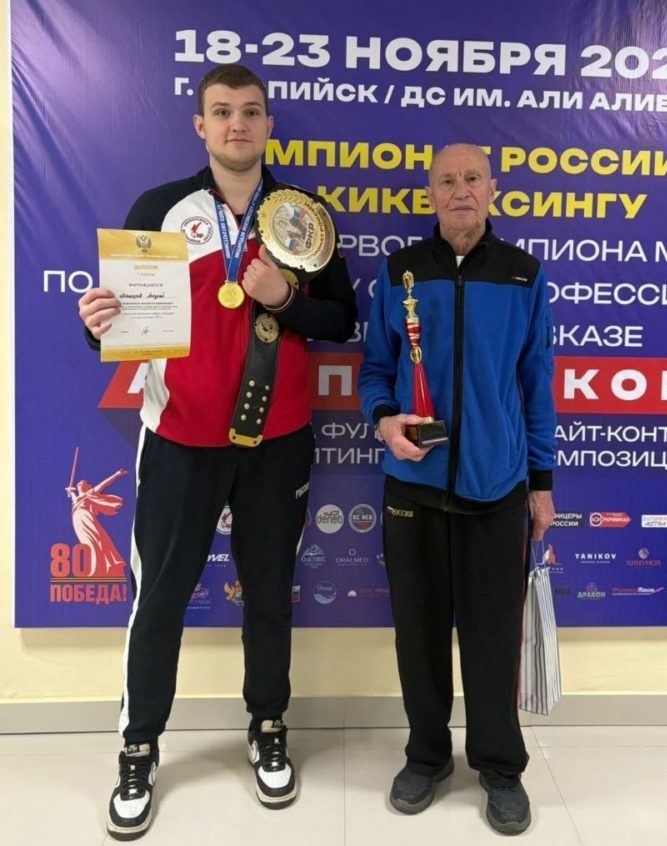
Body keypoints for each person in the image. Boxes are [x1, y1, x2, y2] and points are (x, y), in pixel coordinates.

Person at [78, 64, 356, 841]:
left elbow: (341, 320)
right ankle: (139, 748)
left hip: (277, 443)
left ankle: (268, 727)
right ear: (200, 125)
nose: (239, 124)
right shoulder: (160, 209)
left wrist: (283, 298)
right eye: (223, 111)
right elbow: (123, 322)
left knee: (268, 596)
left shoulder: (304, 218)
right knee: (159, 599)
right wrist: (95, 324)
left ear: (269, 125)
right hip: (178, 441)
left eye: (252, 111)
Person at [358, 143, 556, 836]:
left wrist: (541, 482)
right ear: (431, 193)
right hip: (411, 487)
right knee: (417, 638)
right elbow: (375, 370)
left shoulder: (524, 275)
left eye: (473, 178)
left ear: (493, 188)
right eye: (447, 180)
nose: (461, 189)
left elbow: (537, 384)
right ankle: (427, 756)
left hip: (496, 488)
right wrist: (384, 420)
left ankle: (500, 767)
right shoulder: (400, 272)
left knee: (493, 640)